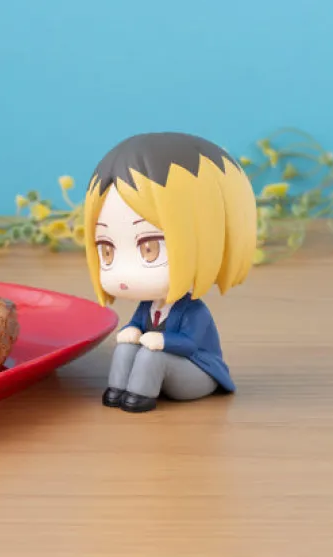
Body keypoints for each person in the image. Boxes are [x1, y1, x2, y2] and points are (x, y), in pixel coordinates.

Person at [84, 132, 257, 413]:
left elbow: (189, 345)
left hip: (197, 373)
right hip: (164, 371)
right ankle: (117, 390)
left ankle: (140, 395)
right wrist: (131, 331)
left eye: (149, 248)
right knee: (126, 347)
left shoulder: (194, 311)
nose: (125, 273)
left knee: (152, 356)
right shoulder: (147, 306)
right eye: (107, 250)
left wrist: (162, 340)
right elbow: (137, 326)